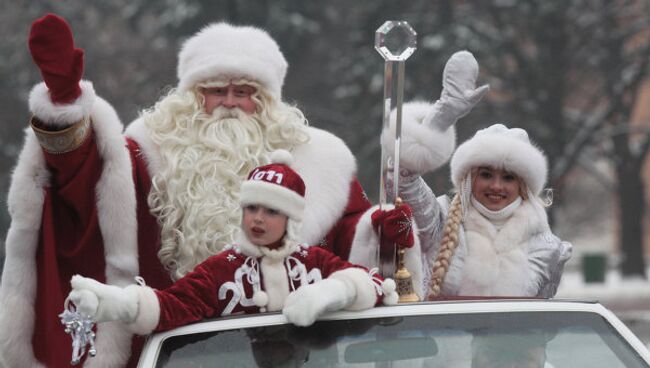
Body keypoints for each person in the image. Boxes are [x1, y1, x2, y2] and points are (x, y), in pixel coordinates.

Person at [0, 13, 482, 368]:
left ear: (267, 100)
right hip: (180, 356)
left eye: (245, 91)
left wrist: (379, 230)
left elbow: (351, 245)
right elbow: (79, 187)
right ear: (191, 96)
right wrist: (63, 109)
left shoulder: (320, 160)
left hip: (303, 355)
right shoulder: (146, 151)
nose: (229, 103)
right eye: (216, 90)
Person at [66, 152, 397, 354]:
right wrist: (118, 303)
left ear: (289, 218)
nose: (257, 218)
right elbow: (173, 306)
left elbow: (377, 285)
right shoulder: (221, 270)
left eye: (270, 211)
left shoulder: (314, 261)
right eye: (251, 207)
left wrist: (334, 292)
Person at [383, 112, 572, 296]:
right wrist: (434, 125)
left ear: (522, 185)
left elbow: (539, 321)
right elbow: (401, 177)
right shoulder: (440, 219)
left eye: (508, 177)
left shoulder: (546, 245)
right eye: (486, 175)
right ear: (469, 179)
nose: (496, 186)